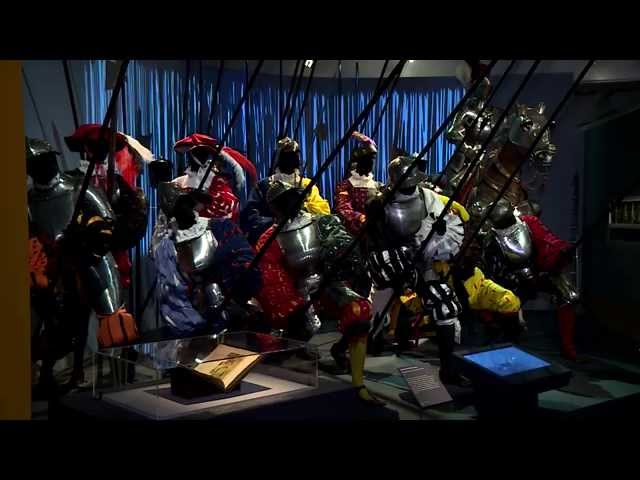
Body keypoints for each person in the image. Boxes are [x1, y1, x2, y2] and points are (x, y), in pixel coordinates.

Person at [253, 180, 383, 405]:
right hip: (295, 292)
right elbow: (271, 279)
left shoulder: (322, 222)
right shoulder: (269, 239)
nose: (291, 203)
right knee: (293, 330)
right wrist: (293, 305)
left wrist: (336, 257)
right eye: (284, 201)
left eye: (293, 197)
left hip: (327, 283)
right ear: (274, 207)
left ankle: (357, 382)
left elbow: (345, 250)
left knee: (359, 310)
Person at [27, 137, 138, 396]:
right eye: (37, 163)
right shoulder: (29, 199)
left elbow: (108, 222)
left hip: (92, 262)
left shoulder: (79, 187)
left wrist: (85, 233)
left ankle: (120, 384)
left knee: (114, 324)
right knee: (57, 329)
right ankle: (54, 376)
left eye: (46, 160)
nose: (44, 166)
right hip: (54, 268)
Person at [240, 137, 330, 245]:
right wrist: (275, 223)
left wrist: (304, 214)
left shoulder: (307, 185)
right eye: (286, 157)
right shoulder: (264, 185)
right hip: (272, 240)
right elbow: (251, 216)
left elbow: (322, 212)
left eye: (292, 156)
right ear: (280, 158)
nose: (289, 160)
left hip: (304, 239)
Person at [334, 132, 383, 236]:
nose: (371, 163)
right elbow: (343, 208)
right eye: (367, 160)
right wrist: (361, 218)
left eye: (373, 160)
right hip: (354, 233)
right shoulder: (345, 186)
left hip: (377, 232)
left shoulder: (378, 186)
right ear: (358, 162)